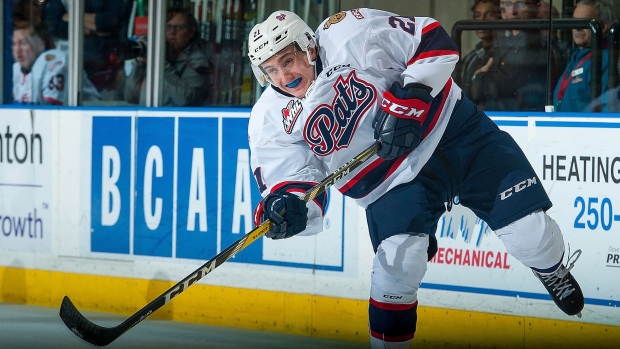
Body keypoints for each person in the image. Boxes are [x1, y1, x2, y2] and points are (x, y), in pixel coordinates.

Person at [247, 9, 584, 349]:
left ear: (308, 46)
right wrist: (288, 206)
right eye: (270, 70)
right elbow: (294, 180)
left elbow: (432, 40)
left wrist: (408, 99)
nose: (283, 76)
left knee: (532, 236)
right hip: (390, 182)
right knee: (396, 272)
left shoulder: (346, 32)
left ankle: (551, 268)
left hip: (455, 133)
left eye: (287, 60)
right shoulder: (269, 119)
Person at [471, 0, 557, 111]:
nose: (513, 11)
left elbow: (505, 89)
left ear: (537, 8)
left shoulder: (538, 45)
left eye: (520, 4)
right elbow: (473, 92)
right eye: (507, 4)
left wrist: (478, 77)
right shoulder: (502, 42)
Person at [124, 6, 214, 106]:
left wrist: (160, 63)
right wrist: (139, 65)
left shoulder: (198, 60)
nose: (172, 32)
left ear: (191, 32)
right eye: (168, 27)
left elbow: (185, 100)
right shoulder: (159, 54)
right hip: (150, 118)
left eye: (178, 27)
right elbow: (130, 96)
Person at [44, 0, 130, 93]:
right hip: (70, 68)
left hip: (106, 67)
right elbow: (53, 25)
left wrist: (70, 16)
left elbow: (110, 21)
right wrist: (94, 29)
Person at [12, 21, 100, 105]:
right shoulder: (15, 70)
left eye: (23, 43)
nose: (17, 50)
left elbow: (50, 112)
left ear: (41, 44)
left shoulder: (55, 61)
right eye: (14, 44)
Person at [554, 0, 612, 112]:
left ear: (603, 27)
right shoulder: (576, 57)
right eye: (575, 22)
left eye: (585, 22)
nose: (577, 27)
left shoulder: (605, 60)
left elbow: (607, 109)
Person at [460, 0, 501, 108]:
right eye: (477, 15)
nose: (482, 20)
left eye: (489, 15)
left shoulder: (504, 54)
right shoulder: (470, 57)